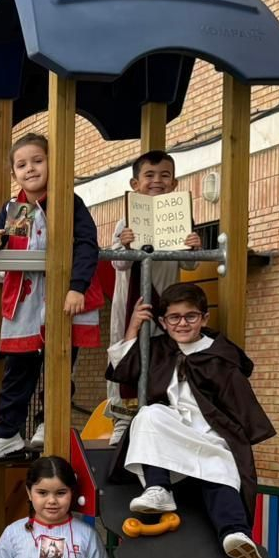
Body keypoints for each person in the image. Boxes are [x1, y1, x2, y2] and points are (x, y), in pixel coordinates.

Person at [105, 281, 271, 558]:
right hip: (171, 431)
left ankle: (235, 533)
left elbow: (239, 403)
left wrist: (239, 440)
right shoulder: (157, 348)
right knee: (149, 414)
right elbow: (123, 369)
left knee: (221, 468)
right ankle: (159, 489)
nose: (182, 323)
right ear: (163, 322)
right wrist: (133, 326)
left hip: (209, 433)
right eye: (174, 317)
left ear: (204, 318)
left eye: (191, 316)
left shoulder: (219, 355)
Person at [0, 132, 101, 461]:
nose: (30, 168)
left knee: (59, 363)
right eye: (22, 164)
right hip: (26, 300)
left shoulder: (68, 203)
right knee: (19, 368)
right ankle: (7, 432)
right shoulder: (14, 208)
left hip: (63, 297)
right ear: (13, 173)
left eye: (37, 161)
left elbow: (87, 245)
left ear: (51, 164)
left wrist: (77, 286)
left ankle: (49, 421)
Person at [107, 151, 203, 444]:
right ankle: (122, 419)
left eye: (164, 175)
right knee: (125, 352)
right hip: (130, 303)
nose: (156, 181)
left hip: (165, 300)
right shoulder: (127, 217)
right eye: (149, 175)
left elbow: (190, 264)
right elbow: (117, 263)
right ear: (135, 183)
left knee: (162, 356)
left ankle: (158, 415)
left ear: (174, 183)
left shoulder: (179, 213)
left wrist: (193, 246)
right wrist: (124, 244)